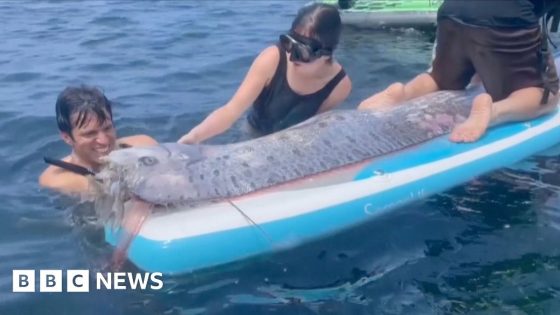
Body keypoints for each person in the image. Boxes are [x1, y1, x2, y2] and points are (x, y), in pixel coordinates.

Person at [359, 0, 560, 143]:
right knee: (547, 94)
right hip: (504, 15)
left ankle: (402, 94)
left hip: (453, 10)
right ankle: (492, 112)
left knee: (441, 78)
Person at [178, 3, 352, 144]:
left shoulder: (339, 85)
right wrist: (194, 137)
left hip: (293, 143)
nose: (291, 56)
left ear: (326, 53)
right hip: (254, 134)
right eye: (288, 44)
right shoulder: (273, 59)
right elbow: (231, 111)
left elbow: (313, 127)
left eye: (301, 51)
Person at [39, 85, 157, 195]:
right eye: (90, 134)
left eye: (107, 128)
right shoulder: (57, 179)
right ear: (67, 138)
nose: (104, 141)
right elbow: (107, 193)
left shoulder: (143, 143)